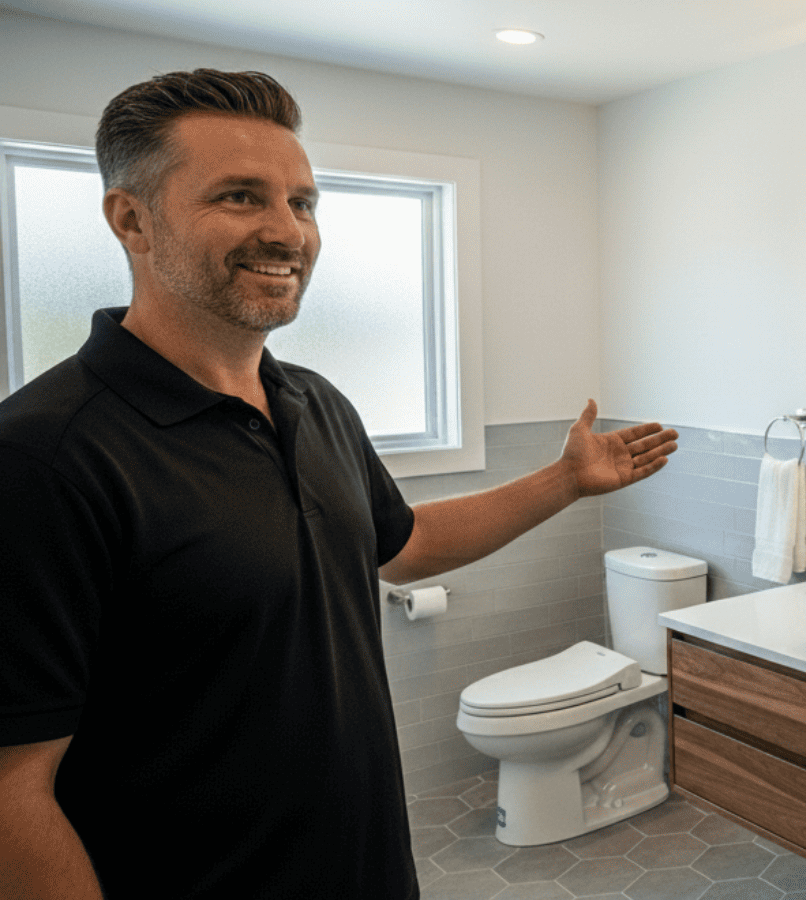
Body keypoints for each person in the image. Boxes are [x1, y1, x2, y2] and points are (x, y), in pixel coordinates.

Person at [0, 70, 678, 899]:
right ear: (131, 219)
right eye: (241, 197)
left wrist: (565, 481)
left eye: (304, 203)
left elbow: (401, 546)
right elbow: (11, 794)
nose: (287, 232)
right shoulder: (43, 456)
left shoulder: (313, 402)